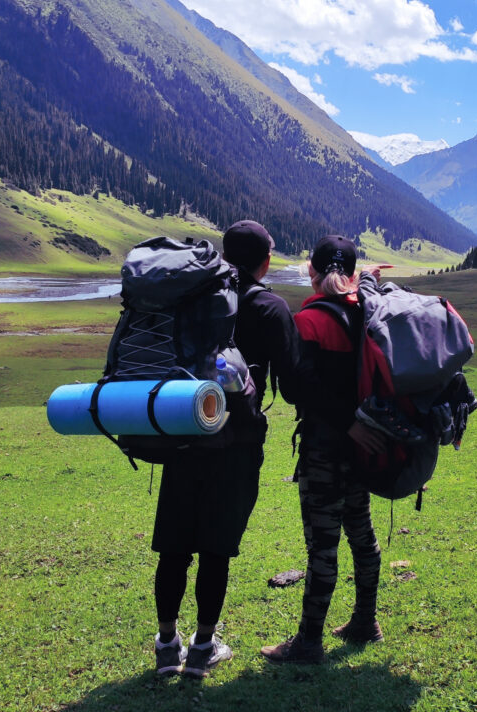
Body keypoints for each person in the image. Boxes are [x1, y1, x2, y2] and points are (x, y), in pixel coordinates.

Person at [153, 220, 300, 677]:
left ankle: (166, 645)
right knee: (216, 548)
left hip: (184, 430)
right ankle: (202, 648)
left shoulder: (193, 296)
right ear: (266, 262)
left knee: (175, 546)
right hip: (237, 445)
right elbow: (294, 385)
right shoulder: (271, 307)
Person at [261, 234, 389, 664]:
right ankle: (365, 621)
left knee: (322, 544)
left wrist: (344, 423)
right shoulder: (367, 311)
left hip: (325, 448)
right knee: (361, 533)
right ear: (351, 274)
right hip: (365, 444)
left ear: (311, 271)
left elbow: (300, 390)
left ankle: (309, 641)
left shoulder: (309, 320)